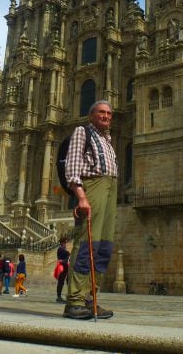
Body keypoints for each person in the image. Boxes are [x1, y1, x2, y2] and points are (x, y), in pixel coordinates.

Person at [63, 100, 118, 320]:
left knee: (103, 247)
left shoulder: (107, 140)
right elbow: (72, 167)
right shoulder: (82, 132)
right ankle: (75, 301)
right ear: (91, 116)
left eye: (108, 113)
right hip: (92, 188)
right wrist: (82, 197)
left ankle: (90, 299)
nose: (105, 116)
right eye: (101, 112)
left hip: (110, 190)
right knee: (86, 244)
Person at [55, 237, 70, 303]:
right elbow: (67, 253)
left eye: (65, 242)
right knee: (61, 282)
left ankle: (69, 295)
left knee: (68, 280)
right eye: (64, 242)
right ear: (62, 243)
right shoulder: (60, 249)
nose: (65, 244)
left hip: (66, 266)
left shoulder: (63, 249)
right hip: (62, 267)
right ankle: (59, 297)